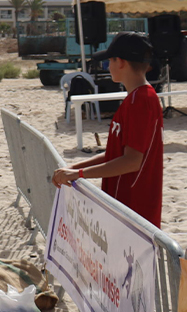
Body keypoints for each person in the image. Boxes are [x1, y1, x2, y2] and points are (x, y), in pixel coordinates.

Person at [52, 32, 164, 227]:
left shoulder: (141, 100)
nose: (108, 66)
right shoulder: (136, 98)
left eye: (109, 61)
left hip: (134, 210)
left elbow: (132, 162)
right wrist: (75, 168)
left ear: (120, 62)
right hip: (124, 206)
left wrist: (79, 174)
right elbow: (116, 155)